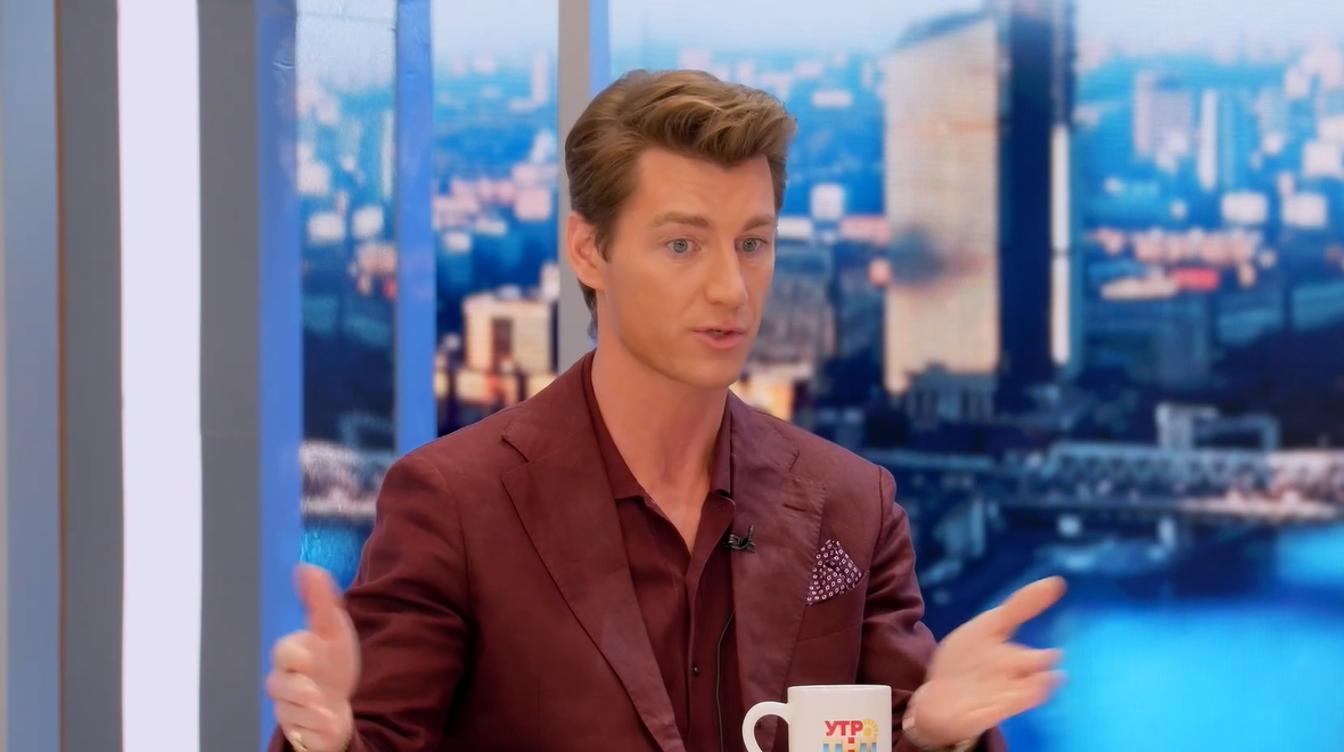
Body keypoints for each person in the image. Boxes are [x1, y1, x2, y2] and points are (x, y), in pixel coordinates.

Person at [266, 69, 1065, 752]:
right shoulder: (454, 504)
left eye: (752, 243)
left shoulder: (853, 505)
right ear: (590, 250)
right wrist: (325, 742)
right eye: (683, 244)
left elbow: (892, 732)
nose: (730, 288)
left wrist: (935, 734)